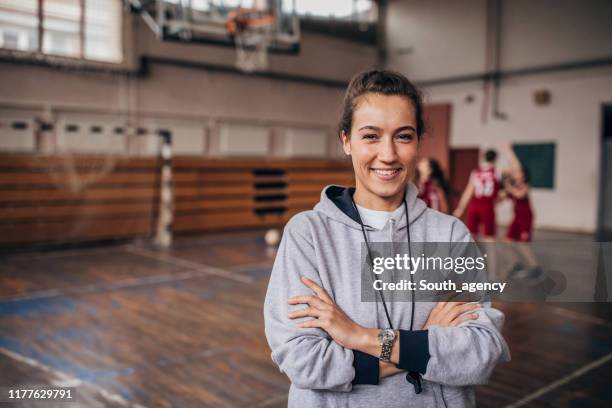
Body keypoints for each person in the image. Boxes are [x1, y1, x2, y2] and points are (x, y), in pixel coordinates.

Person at [263, 69, 509, 408]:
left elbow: (480, 352)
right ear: (346, 140)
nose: (389, 154)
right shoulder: (308, 235)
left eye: (403, 136)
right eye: (371, 136)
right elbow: (305, 362)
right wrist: (420, 345)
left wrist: (358, 336)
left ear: (419, 142)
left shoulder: (450, 234)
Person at [453, 149, 501, 241]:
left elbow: (468, 192)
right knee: (489, 237)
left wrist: (460, 208)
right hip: (488, 205)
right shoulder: (496, 172)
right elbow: (500, 192)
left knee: (472, 236)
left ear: (483, 157)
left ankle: (474, 255)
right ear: (495, 159)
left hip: (475, 205)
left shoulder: (476, 172)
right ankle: (489, 255)